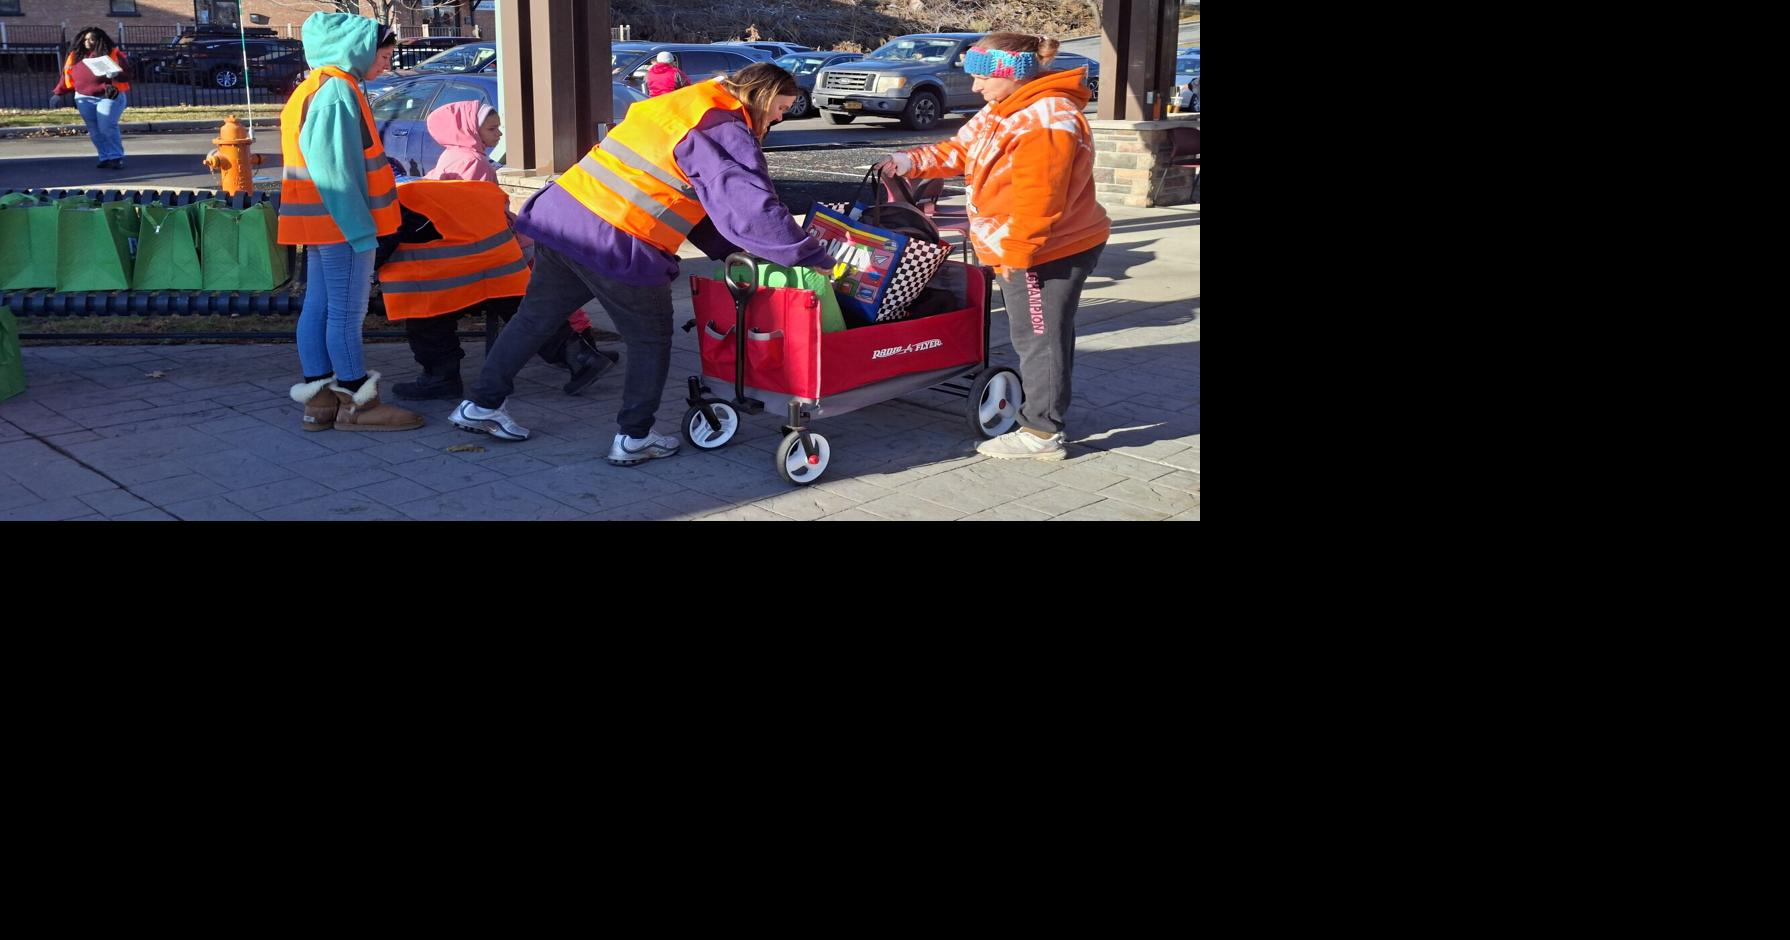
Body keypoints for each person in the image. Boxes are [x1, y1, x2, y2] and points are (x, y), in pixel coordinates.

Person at [451, 61, 834, 465]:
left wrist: (731, 251)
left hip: (565, 219)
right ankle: (635, 437)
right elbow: (749, 205)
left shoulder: (680, 103)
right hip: (619, 238)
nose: (778, 118)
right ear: (764, 96)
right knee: (650, 339)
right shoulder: (722, 126)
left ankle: (479, 406)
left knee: (533, 319)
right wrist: (807, 254)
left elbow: (693, 199)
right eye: (780, 108)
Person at [877, 32, 1109, 461]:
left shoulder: (1045, 120)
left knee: (1038, 337)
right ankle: (1045, 417)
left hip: (1044, 250)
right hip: (1024, 246)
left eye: (982, 77)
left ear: (1009, 73)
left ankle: (1042, 434)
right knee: (1045, 335)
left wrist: (1015, 258)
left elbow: (1039, 202)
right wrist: (911, 162)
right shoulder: (1003, 110)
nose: (977, 87)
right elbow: (962, 149)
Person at [383, 100, 613, 401]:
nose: (500, 133)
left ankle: (441, 377)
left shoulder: (462, 160)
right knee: (522, 311)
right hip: (496, 254)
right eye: (492, 128)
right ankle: (580, 355)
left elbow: (460, 212)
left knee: (430, 311)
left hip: (469, 257)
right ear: (466, 130)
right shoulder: (470, 160)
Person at [278, 13, 423, 432]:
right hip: (343, 222)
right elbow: (336, 171)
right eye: (384, 54)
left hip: (321, 222)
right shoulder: (338, 91)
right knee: (345, 311)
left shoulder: (315, 87)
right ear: (358, 49)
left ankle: (319, 400)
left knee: (320, 307)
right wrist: (361, 230)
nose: (387, 64)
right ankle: (358, 402)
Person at [51, 27, 132, 170]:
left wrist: (116, 74)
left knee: (106, 126)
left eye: (91, 39)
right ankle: (105, 157)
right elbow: (66, 77)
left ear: (99, 40)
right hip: (84, 97)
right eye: (85, 39)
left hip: (108, 96)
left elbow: (127, 74)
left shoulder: (112, 54)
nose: (87, 42)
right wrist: (58, 93)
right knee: (94, 129)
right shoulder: (75, 56)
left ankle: (115, 157)